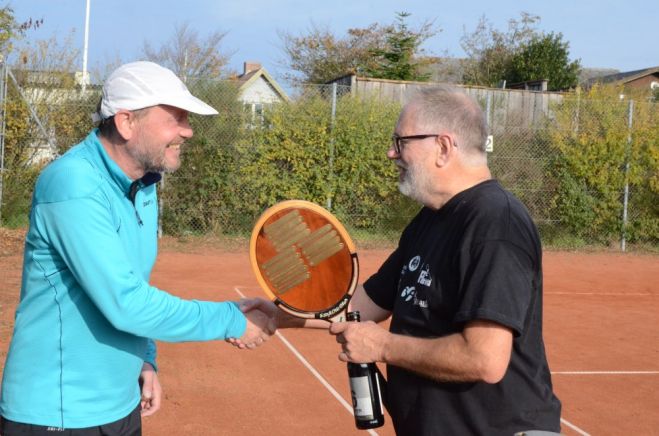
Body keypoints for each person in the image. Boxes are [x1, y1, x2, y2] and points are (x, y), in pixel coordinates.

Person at [245, 84, 562, 435]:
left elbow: (485, 359)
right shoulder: (429, 220)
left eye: (401, 142)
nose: (391, 153)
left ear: (442, 147)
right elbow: (354, 309)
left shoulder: (494, 222)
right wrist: (276, 316)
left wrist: (381, 345)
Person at [0, 61, 273, 436]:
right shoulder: (72, 184)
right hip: (58, 414)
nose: (188, 131)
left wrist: (144, 359)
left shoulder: (143, 185)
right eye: (176, 118)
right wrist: (230, 318)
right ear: (127, 122)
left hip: (119, 404)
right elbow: (126, 303)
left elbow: (132, 284)